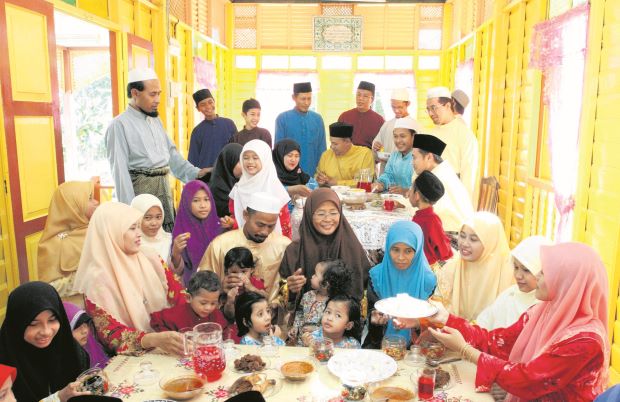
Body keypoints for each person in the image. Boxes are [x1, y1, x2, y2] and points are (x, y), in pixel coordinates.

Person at [396, 242, 609, 401]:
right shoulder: (542, 312)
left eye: (544, 272)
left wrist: (465, 350)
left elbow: (528, 379)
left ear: (567, 283)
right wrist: (443, 318)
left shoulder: (584, 341)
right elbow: (497, 341)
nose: (537, 276)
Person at [73, 202, 186, 356]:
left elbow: (178, 295)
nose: (139, 233)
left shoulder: (150, 257)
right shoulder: (96, 282)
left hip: (171, 341)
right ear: (111, 232)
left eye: (138, 227)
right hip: (134, 356)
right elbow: (111, 336)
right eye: (132, 228)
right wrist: (152, 340)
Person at [105, 67, 206, 232]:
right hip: (141, 199)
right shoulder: (119, 125)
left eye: (159, 94)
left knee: (167, 240)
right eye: (152, 94)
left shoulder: (155, 120)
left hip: (164, 194)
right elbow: (120, 174)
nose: (158, 100)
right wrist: (130, 216)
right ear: (135, 93)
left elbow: (171, 156)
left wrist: (197, 173)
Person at [280, 188, 371, 306]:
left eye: (333, 213)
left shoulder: (351, 248)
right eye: (321, 214)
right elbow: (281, 293)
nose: (327, 219)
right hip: (305, 314)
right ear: (309, 215)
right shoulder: (294, 251)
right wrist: (290, 288)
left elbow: (363, 288)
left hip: (344, 314)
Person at [0, 282, 90, 401]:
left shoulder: (69, 348)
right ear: (17, 324)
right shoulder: (4, 365)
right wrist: (59, 397)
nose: (46, 332)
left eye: (52, 320)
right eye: (33, 324)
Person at [198, 192, 292, 304]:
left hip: (271, 312)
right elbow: (200, 287)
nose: (265, 232)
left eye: (271, 226)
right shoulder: (220, 244)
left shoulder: (284, 246)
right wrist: (220, 289)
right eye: (260, 225)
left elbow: (288, 286)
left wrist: (276, 304)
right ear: (246, 215)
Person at [364, 221, 436, 348]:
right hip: (380, 343)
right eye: (395, 250)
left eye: (408, 251)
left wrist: (417, 322)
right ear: (388, 248)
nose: (401, 257)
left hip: (417, 347)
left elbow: (433, 320)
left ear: (418, 251)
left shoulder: (428, 281)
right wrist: (375, 319)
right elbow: (371, 316)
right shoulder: (376, 277)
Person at [436, 212, 514, 321]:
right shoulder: (452, 268)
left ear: (490, 243)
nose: (464, 243)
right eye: (462, 236)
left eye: (473, 239)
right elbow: (437, 309)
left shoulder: (508, 274)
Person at [38, 181, 99, 301]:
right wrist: (87, 278)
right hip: (74, 309)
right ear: (73, 206)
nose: (96, 202)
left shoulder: (95, 231)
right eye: (89, 199)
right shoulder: (52, 245)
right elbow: (50, 289)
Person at [476, 236, 552, 330]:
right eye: (516, 267)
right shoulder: (510, 294)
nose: (518, 276)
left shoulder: (545, 308)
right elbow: (484, 321)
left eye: (526, 270)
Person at [411, 134, 474, 246]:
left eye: (414, 157)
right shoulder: (440, 171)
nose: (412, 162)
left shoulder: (438, 178)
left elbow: (426, 212)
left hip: (454, 240)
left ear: (429, 157)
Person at [229, 140, 291, 237]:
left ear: (265, 159)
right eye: (245, 158)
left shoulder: (275, 188)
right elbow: (236, 216)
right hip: (244, 240)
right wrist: (231, 223)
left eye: (255, 158)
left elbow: (284, 223)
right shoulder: (238, 188)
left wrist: (285, 243)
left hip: (272, 241)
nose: (250, 162)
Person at [427, 86, 479, 201]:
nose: (430, 113)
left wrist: (463, 204)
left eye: (434, 108)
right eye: (428, 109)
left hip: (453, 199)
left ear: (448, 105)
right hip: (428, 196)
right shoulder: (428, 133)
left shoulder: (465, 135)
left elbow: (468, 177)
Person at [288, 259, 352, 346]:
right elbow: (300, 314)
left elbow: (335, 325)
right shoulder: (307, 295)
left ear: (325, 284)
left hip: (320, 344)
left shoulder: (333, 303)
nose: (312, 276)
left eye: (315, 274)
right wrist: (295, 328)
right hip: (301, 341)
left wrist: (316, 329)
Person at [150, 271, 230, 337]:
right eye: (203, 303)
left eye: (213, 303)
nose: (208, 308)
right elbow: (156, 320)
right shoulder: (178, 313)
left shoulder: (216, 315)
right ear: (188, 298)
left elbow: (225, 330)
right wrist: (171, 338)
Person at [171, 180, 222, 284]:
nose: (203, 205)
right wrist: (176, 253)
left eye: (206, 199)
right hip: (193, 287)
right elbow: (179, 271)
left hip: (220, 285)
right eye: (196, 200)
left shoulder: (220, 227)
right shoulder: (181, 232)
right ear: (186, 202)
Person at [275, 82, 326, 176]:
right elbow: (278, 151)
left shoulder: (317, 119)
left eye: (309, 98)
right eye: (303, 99)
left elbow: (322, 149)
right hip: (290, 176)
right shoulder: (283, 119)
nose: (306, 103)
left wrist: (321, 173)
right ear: (294, 98)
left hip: (312, 176)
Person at [410, 171, 453, 267]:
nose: (408, 193)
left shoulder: (432, 220)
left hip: (425, 268)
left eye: (411, 189)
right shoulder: (427, 217)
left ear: (416, 195)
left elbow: (445, 252)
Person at [187, 88, 237, 171]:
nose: (208, 106)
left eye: (210, 102)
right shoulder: (197, 131)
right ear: (198, 108)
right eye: (203, 105)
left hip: (226, 174)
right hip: (206, 176)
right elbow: (193, 159)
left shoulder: (229, 124)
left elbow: (236, 152)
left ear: (214, 101)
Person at [372, 88, 421, 171]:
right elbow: (376, 152)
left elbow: (419, 154)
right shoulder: (386, 125)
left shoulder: (415, 126)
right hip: (386, 172)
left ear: (408, 104)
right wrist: (376, 147)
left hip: (406, 172)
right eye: (393, 107)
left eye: (400, 107)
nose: (396, 110)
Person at [315, 122, 375, 187]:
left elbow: (365, 183)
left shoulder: (364, 154)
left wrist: (337, 183)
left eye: (335, 144)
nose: (331, 146)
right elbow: (317, 176)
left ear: (347, 142)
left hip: (356, 193)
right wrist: (320, 180)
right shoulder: (326, 155)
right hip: (329, 192)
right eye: (331, 143)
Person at [373, 118, 418, 195]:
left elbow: (422, 187)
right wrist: (381, 185)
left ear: (413, 136)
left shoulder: (419, 158)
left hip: (411, 201)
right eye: (395, 136)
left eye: (402, 136)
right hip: (393, 198)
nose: (398, 140)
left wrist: (406, 191)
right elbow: (388, 175)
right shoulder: (394, 155)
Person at [222, 247, 268, 321]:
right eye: (234, 272)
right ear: (227, 271)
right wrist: (230, 300)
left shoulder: (256, 282)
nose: (239, 276)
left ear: (252, 270)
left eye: (243, 272)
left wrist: (252, 288)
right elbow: (230, 316)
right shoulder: (227, 285)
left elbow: (266, 298)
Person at [338, 81, 385, 149]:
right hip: (346, 154)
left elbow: (382, 145)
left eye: (365, 96)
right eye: (358, 95)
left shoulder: (379, 120)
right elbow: (336, 141)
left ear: (371, 99)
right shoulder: (344, 116)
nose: (360, 98)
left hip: (368, 154)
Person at [63, 302, 110, 368]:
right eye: (77, 326)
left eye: (85, 324)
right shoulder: (62, 364)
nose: (85, 331)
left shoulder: (90, 348)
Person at [130, 194, 174, 262]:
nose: (154, 223)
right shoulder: (130, 245)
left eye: (158, 217)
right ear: (136, 218)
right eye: (147, 218)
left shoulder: (170, 241)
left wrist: (176, 254)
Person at [209, 143, 243, 221]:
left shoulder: (242, 184)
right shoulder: (215, 190)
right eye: (240, 162)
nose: (245, 166)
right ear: (229, 162)